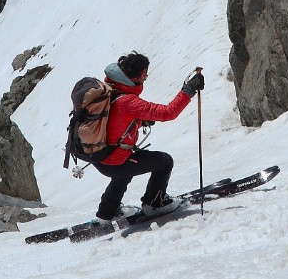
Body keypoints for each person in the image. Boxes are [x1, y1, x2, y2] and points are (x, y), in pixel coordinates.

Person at [87, 51, 205, 221]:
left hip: (99, 155)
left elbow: (113, 120)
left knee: (125, 168)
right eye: (145, 74)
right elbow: (168, 113)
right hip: (113, 160)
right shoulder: (128, 101)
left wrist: (139, 122)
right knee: (164, 161)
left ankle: (107, 211)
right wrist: (189, 89)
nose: (145, 77)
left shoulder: (107, 89)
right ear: (139, 75)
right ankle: (155, 204)